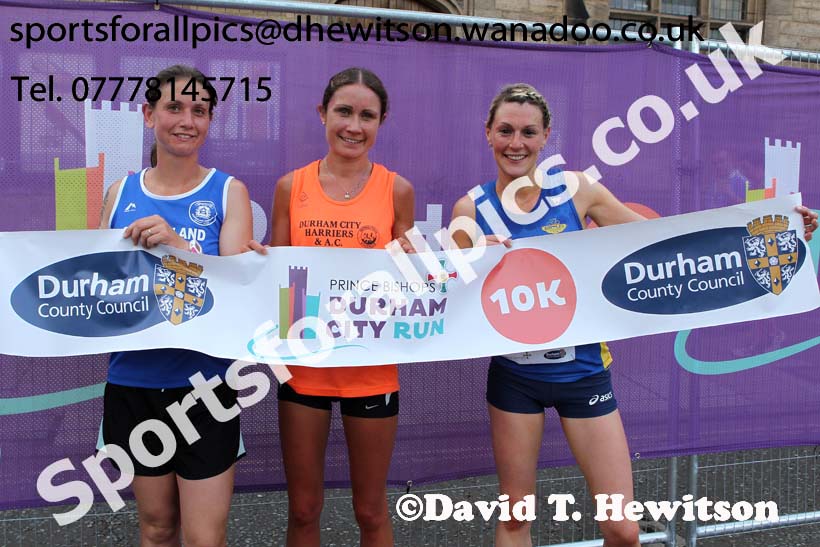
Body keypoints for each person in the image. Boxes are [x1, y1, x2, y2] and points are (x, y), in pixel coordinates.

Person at [449, 83, 819, 547]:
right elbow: (443, 294)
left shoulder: (576, 189)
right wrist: (463, 257)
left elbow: (661, 239)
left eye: (528, 132)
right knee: (514, 520)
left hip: (583, 373)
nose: (516, 143)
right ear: (488, 134)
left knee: (623, 530)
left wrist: (775, 226)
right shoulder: (470, 211)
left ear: (546, 138)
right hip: (514, 379)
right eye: (505, 130)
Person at [247, 67, 415, 547]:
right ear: (322, 113)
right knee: (303, 510)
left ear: (381, 122)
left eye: (367, 115)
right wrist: (254, 263)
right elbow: (279, 279)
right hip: (305, 371)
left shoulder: (396, 189)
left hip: (371, 369)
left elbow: (416, 276)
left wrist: (473, 257)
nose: (354, 126)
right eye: (344, 111)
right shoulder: (289, 187)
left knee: (371, 510)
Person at [98, 64, 253, 547]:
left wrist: (180, 247)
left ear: (210, 121)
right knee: (157, 529)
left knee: (205, 538)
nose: (187, 119)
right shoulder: (119, 193)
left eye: (200, 110)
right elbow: (103, 290)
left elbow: (237, 294)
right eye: (174, 107)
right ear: (149, 115)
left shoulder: (229, 191)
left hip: (205, 389)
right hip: (133, 384)